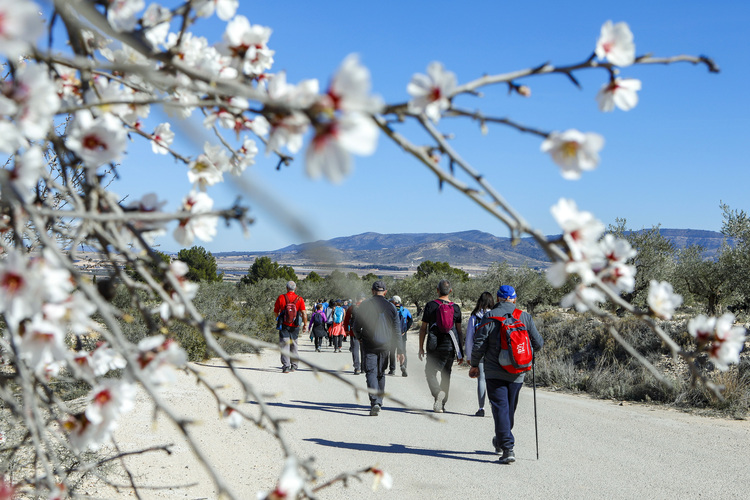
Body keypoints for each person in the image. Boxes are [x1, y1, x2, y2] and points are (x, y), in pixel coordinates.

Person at [470, 285, 543, 465]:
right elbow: (539, 343)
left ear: (498, 298)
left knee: (500, 408)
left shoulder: (489, 317)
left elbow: (479, 344)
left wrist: (474, 364)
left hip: (495, 371)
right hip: (518, 371)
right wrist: (526, 354)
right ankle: (502, 439)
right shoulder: (524, 317)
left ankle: (507, 447)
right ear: (514, 299)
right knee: (509, 409)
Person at [352, 281, 404, 416]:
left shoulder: (364, 305)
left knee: (370, 372)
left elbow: (356, 326)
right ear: (385, 292)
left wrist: (359, 337)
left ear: (372, 291)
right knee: (381, 373)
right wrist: (400, 350)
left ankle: (374, 401)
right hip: (386, 345)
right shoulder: (391, 307)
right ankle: (379, 401)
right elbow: (397, 331)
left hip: (369, 344)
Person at [418, 279, 464, 413]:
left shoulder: (430, 306)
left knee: (430, 372)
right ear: (450, 291)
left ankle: (437, 393)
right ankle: (442, 405)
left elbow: (423, 328)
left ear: (437, 290)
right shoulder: (455, 308)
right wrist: (460, 351)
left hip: (433, 345)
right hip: (450, 345)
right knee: (446, 374)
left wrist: (421, 347)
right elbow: (459, 331)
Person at [464, 291, 495, 417]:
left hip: (480, 352)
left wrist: (470, 356)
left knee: (481, 380)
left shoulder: (474, 317)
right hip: (493, 352)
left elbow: (469, 338)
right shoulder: (495, 315)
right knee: (493, 381)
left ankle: (481, 408)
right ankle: (495, 407)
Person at [273, 281, 307, 373]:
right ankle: (294, 365)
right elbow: (303, 312)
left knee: (285, 345)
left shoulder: (281, 297)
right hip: (295, 325)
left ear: (286, 288)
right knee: (294, 345)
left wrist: (278, 319)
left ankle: (286, 366)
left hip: (284, 325)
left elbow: (276, 310)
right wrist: (305, 324)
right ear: (295, 288)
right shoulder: (299, 299)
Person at [385, 296, 413, 377]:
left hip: (392, 335)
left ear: (394, 302)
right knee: (403, 351)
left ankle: (392, 369)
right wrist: (405, 330)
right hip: (402, 335)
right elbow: (410, 320)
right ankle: (403, 366)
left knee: (392, 351)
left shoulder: (390, 310)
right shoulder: (405, 310)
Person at [344, 293, 366, 375]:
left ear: (356, 299)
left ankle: (357, 368)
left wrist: (346, 330)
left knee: (355, 350)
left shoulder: (351, 308)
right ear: (364, 299)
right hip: (365, 332)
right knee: (364, 350)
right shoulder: (367, 308)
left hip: (354, 332)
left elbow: (346, 320)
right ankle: (364, 368)